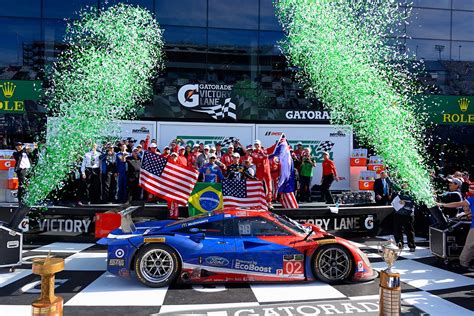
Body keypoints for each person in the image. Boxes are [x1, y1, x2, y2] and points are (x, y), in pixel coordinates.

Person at [438, 197, 474, 272]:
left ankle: (464, 263)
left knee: (470, 245)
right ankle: (463, 264)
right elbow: (459, 204)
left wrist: (442, 205)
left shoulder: (472, 199)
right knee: (470, 245)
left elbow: (459, 204)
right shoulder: (472, 199)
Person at [393, 184, 416, 252]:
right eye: (402, 183)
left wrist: (405, 203)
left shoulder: (413, 193)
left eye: (405, 183)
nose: (403, 184)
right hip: (398, 213)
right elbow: (392, 184)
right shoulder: (399, 192)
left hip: (408, 214)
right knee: (397, 230)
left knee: (409, 231)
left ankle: (412, 245)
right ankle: (399, 244)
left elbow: (415, 203)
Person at [251, 140, 273, 204]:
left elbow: (272, 148)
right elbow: (258, 158)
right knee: (259, 187)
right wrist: (264, 156)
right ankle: (259, 201)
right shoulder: (254, 153)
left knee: (269, 187)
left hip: (267, 171)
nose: (257, 146)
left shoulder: (265, 151)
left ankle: (269, 202)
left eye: (258, 144)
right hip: (259, 172)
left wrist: (278, 142)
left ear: (260, 145)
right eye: (256, 145)